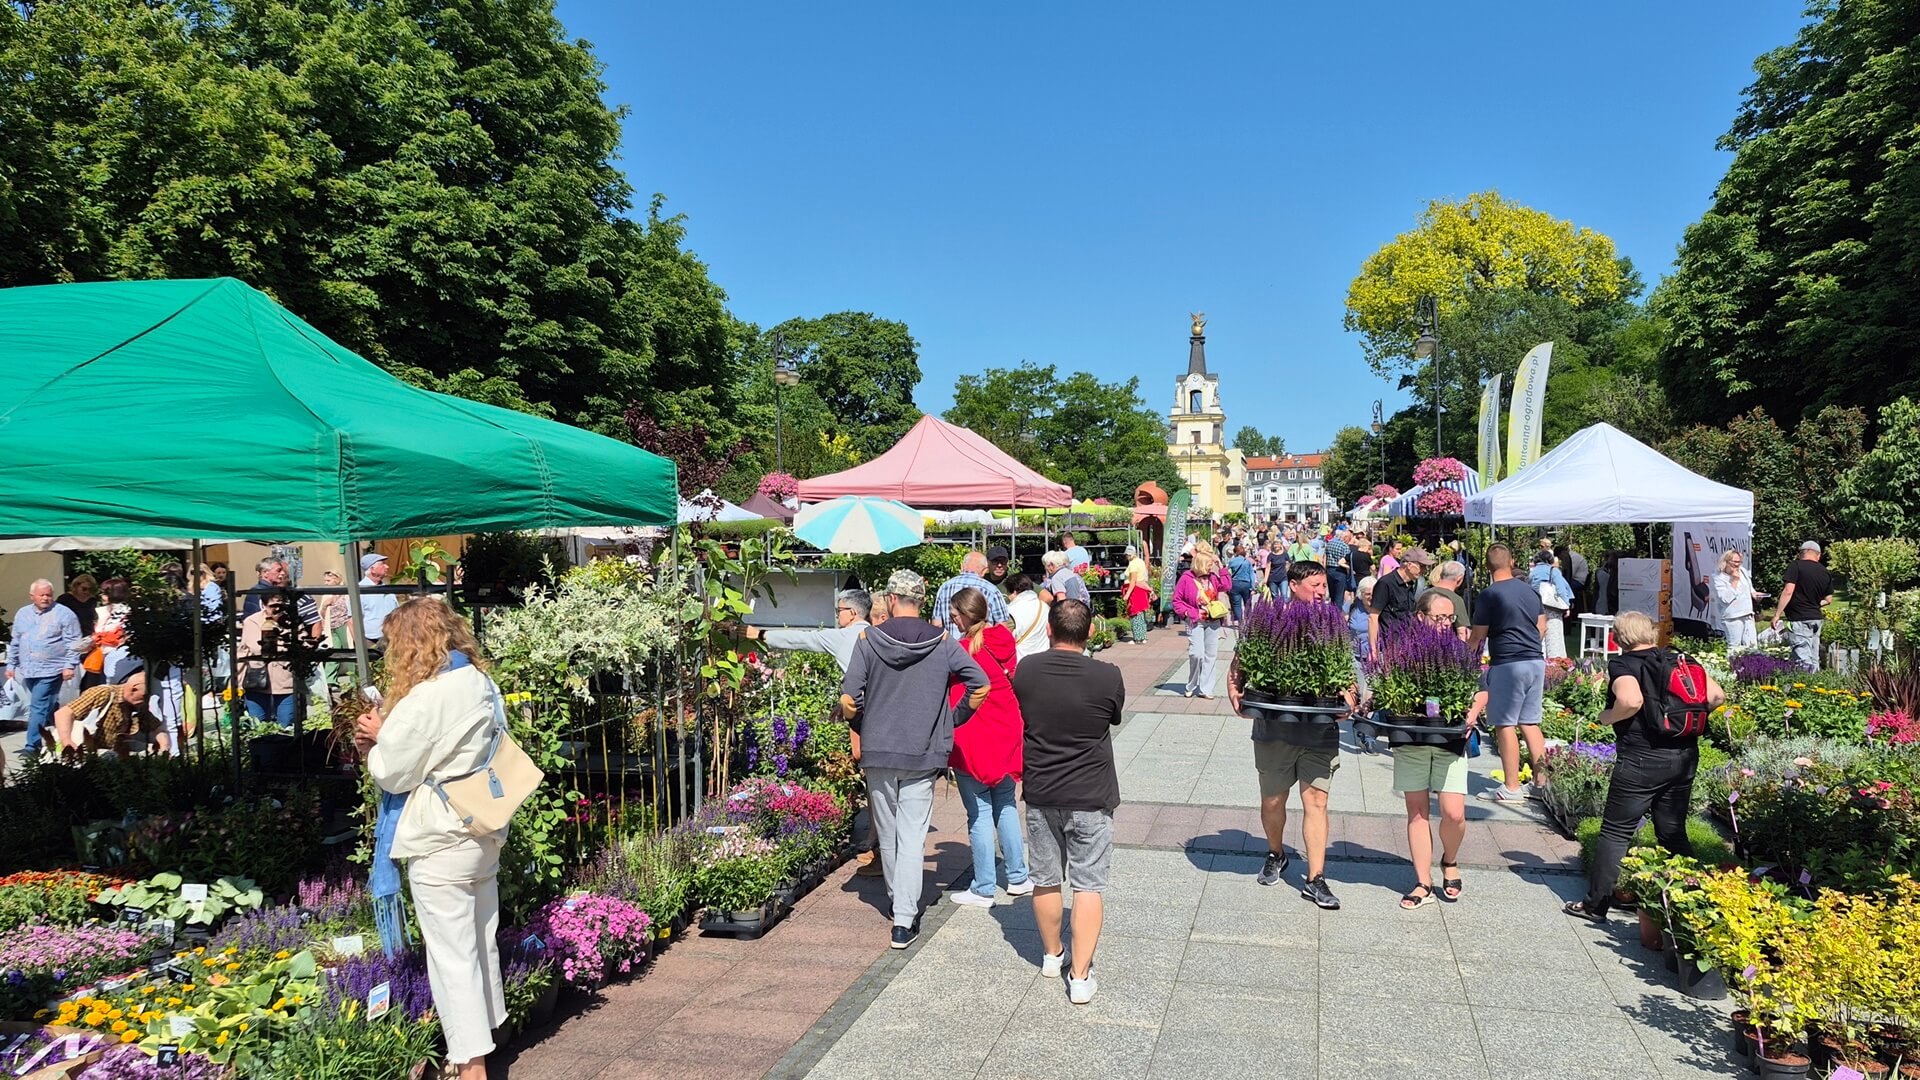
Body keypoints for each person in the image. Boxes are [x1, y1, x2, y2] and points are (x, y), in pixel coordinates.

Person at [353, 599, 510, 1080]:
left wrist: (376, 739)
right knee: (481, 940)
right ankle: (486, 1036)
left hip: (440, 836)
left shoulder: (424, 699)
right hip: (483, 822)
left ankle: (471, 1065)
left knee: (451, 955)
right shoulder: (480, 682)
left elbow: (392, 773)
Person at [839, 570, 990, 949]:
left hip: (879, 750)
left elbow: (848, 698)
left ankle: (899, 904)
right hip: (923, 751)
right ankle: (904, 917)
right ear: (921, 601)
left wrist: (859, 719)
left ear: (890, 599)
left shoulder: (868, 640)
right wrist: (951, 721)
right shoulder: (942, 642)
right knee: (911, 835)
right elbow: (980, 684)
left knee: (888, 833)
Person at [1565, 612, 1725, 923]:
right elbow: (1717, 695)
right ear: (1651, 634)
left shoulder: (1625, 664)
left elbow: (1631, 701)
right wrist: (1677, 717)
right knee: (1672, 832)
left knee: (1615, 832)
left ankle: (1595, 905)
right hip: (1684, 756)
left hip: (1641, 758)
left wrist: (1607, 716)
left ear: (1618, 638)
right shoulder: (1679, 659)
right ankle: (1696, 901)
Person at [1009, 599, 1125, 1005]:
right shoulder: (1107, 676)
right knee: (1088, 885)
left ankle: (1052, 954)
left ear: (1049, 631)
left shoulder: (1027, 670)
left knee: (1045, 878)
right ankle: (1080, 975)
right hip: (1091, 791)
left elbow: (1022, 710)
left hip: (1042, 789)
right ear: (1090, 632)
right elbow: (1113, 717)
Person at [1228, 559, 1347, 910]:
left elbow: (1346, 674)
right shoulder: (1271, 619)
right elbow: (1241, 665)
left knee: (1317, 801)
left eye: (1325, 585)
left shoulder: (1334, 621)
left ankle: (1316, 878)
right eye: (1316, 585)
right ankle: (1276, 852)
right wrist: (1235, 692)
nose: (1323, 592)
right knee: (1273, 801)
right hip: (1274, 728)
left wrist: (1350, 699)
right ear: (1293, 585)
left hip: (1319, 730)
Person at [945, 588, 1032, 908]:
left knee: (979, 814)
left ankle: (983, 887)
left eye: (955, 616)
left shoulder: (960, 650)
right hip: (1006, 732)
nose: (953, 622)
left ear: (967, 616)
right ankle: (1018, 877)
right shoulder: (1003, 641)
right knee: (1006, 805)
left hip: (973, 739)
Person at [1395, 593, 1478, 908]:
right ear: (1420, 617)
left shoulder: (1459, 650)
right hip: (1412, 739)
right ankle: (1423, 883)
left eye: (1449, 618)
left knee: (1454, 812)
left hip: (1449, 739)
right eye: (1438, 618)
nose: (1445, 624)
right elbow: (1385, 685)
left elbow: (1481, 692)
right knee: (1417, 811)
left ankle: (1450, 860)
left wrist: (1471, 714)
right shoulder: (1404, 649)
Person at [1468, 544, 1550, 802]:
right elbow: (1542, 627)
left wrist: (1467, 661)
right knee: (1530, 723)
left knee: (1505, 724)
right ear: (1512, 561)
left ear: (1487, 566)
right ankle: (1540, 784)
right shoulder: (1530, 590)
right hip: (1535, 661)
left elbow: (1478, 636)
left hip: (1508, 663)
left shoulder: (1489, 595)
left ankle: (1511, 787)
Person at [6, 580, 87, 758]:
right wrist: (11, 663)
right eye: (41, 595)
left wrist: (69, 665)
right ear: (32, 596)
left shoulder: (65, 614)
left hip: (52, 669)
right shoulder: (23, 613)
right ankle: (64, 735)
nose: (45, 598)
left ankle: (31, 746)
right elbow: (16, 640)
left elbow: (74, 643)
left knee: (38, 706)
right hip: (28, 669)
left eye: (49, 594)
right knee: (47, 707)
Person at [743, 588, 872, 670]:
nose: (837, 614)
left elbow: (802, 639)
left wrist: (761, 634)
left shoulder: (842, 637)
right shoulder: (878, 633)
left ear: (852, 613)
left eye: (839, 610)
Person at [53, 669, 165, 756]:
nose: (146, 700)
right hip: (87, 751)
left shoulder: (137, 704)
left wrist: (164, 746)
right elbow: (63, 713)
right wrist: (66, 741)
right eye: (144, 696)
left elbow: (156, 727)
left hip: (114, 753)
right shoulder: (103, 693)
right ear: (133, 689)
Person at [1171, 543, 1231, 699]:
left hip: (1213, 620)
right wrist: (1190, 612)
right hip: (1195, 621)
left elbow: (1227, 585)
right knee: (1196, 654)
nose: (1211, 566)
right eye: (1209, 564)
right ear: (1201, 564)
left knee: (1210, 655)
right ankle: (1191, 684)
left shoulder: (1212, 578)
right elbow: (1176, 601)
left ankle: (1206, 688)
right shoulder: (1186, 578)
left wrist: (1221, 566)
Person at [237, 594, 299, 729]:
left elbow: (301, 646)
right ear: (264, 605)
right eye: (272, 605)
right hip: (256, 681)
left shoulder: (292, 621)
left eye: (280, 605)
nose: (277, 609)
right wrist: (236, 683)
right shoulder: (251, 622)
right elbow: (243, 652)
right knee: (258, 727)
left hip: (285, 682)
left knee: (286, 726)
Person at [1772, 541, 1833, 670]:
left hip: (1799, 618)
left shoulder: (1796, 566)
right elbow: (1828, 599)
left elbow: (1788, 591)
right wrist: (1814, 604)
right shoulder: (1825, 572)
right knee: (1814, 656)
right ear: (1818, 555)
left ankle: (1805, 685)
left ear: (1801, 553)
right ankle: (1816, 684)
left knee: (1802, 658)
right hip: (1816, 618)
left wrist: (1777, 614)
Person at [1367, 547, 1431, 660]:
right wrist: (1373, 650)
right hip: (1389, 646)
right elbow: (1373, 617)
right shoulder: (1386, 583)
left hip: (1407, 645)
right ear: (1409, 565)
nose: (1424, 570)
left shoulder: (1410, 584)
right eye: (1422, 566)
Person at [931, 551, 1010, 634]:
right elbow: (1002, 627)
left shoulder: (944, 587)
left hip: (951, 645)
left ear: (961, 567)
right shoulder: (992, 590)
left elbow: (937, 624)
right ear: (984, 571)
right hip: (980, 644)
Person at [1712, 550, 1763, 653]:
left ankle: (1752, 667)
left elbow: (1749, 588)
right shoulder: (1719, 577)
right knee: (1735, 647)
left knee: (1752, 646)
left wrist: (1755, 594)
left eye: (1739, 562)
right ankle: (1733, 667)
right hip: (1732, 616)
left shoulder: (1743, 571)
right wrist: (1734, 581)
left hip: (1747, 613)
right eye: (1734, 562)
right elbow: (1725, 599)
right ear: (1726, 561)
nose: (1737, 565)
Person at [1529, 550, 1574, 659]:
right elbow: (1561, 589)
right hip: (1552, 608)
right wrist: (1566, 605)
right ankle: (1556, 665)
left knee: (1540, 636)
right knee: (1554, 637)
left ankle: (1540, 659)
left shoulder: (1532, 572)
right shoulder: (1553, 571)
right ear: (1550, 560)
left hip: (1536, 607)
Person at [357, 553, 402, 646]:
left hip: (393, 638)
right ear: (372, 569)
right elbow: (352, 621)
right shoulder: (360, 590)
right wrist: (360, 645)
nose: (387, 566)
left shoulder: (387, 588)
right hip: (370, 641)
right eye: (382, 564)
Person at [1007, 575, 1050, 660]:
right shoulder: (1045, 606)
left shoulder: (1011, 610)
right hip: (1044, 658)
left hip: (1021, 660)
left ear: (1014, 592)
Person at [1425, 561, 1472, 639]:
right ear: (1460, 579)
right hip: (1446, 646)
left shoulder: (1424, 594)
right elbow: (1462, 632)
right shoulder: (1456, 600)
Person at [1121, 547, 1153, 645]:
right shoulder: (1140, 561)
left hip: (1135, 591)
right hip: (1141, 590)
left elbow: (1133, 581)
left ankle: (1137, 638)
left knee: (1135, 614)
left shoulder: (1133, 564)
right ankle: (1142, 637)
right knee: (1141, 614)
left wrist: (1127, 594)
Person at [1225, 544, 1256, 627]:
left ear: (1235, 553)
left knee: (1236, 604)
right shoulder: (1248, 561)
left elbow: (1227, 573)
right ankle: (1249, 621)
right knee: (1248, 603)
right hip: (1246, 583)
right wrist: (1253, 587)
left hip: (1235, 584)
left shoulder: (1232, 561)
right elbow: (1252, 575)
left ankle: (1240, 622)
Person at [1323, 526, 1353, 612]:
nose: (1349, 541)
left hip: (1329, 570)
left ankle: (1331, 613)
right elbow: (1347, 561)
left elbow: (1325, 557)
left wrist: (1324, 570)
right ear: (1345, 537)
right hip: (1340, 571)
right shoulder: (1344, 546)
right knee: (1339, 596)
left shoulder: (1329, 543)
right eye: (1349, 539)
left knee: (1332, 595)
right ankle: (1337, 616)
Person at [1348, 576, 1375, 660]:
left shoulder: (1383, 608)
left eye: (1374, 593)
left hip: (1378, 656)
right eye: (1368, 594)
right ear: (1361, 594)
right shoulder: (1352, 606)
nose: (1371, 597)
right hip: (1354, 657)